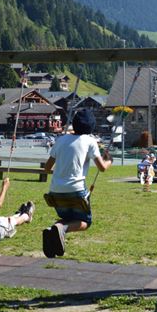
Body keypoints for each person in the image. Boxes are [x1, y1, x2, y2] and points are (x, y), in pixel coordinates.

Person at [43, 109, 113, 258]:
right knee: (85, 222)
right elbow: (102, 168)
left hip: (55, 192)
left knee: (68, 219)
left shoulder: (61, 140)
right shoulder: (90, 141)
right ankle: (60, 228)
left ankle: (54, 230)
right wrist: (109, 161)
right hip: (76, 190)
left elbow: (47, 168)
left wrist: (61, 171)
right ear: (91, 127)